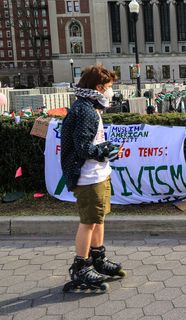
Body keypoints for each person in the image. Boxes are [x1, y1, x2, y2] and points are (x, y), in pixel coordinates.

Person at [61, 64, 125, 291]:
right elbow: (81, 147)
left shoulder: (89, 107)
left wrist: (104, 147)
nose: (110, 91)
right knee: (88, 222)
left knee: (98, 218)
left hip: (98, 173)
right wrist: (103, 152)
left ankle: (98, 257)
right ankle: (81, 266)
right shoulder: (85, 110)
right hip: (88, 176)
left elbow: (90, 141)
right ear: (98, 87)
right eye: (108, 87)